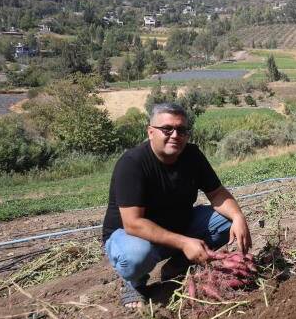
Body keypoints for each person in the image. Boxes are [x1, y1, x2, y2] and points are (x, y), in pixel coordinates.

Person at [102, 103, 251, 307]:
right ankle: (134, 283)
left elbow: (217, 193)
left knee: (227, 221)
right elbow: (133, 223)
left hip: (178, 226)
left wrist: (238, 217)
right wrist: (184, 242)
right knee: (136, 256)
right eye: (167, 129)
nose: (175, 135)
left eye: (181, 130)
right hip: (132, 236)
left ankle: (176, 267)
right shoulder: (132, 163)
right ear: (150, 131)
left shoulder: (192, 155)